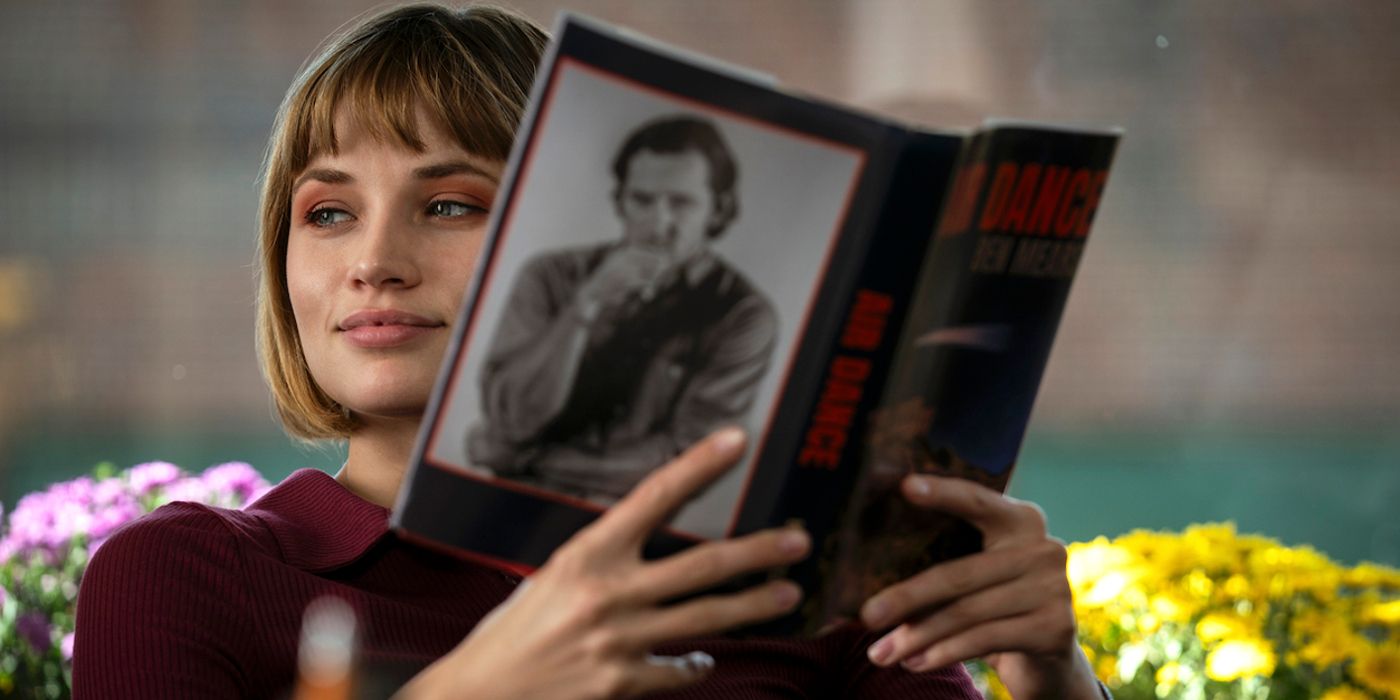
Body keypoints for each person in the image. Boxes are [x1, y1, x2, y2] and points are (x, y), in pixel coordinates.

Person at [72, 4, 1107, 699]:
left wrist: (1052, 673)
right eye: (329, 212)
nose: (375, 261)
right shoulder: (184, 575)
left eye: (446, 203)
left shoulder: (784, 585)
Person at [467, 115, 777, 503]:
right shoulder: (551, 275)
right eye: (642, 200)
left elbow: (689, 459)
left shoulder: (743, 315)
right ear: (620, 202)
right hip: (501, 506)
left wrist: (531, 458)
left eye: (681, 203)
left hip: (625, 525)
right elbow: (511, 417)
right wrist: (585, 306)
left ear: (719, 209)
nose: (658, 223)